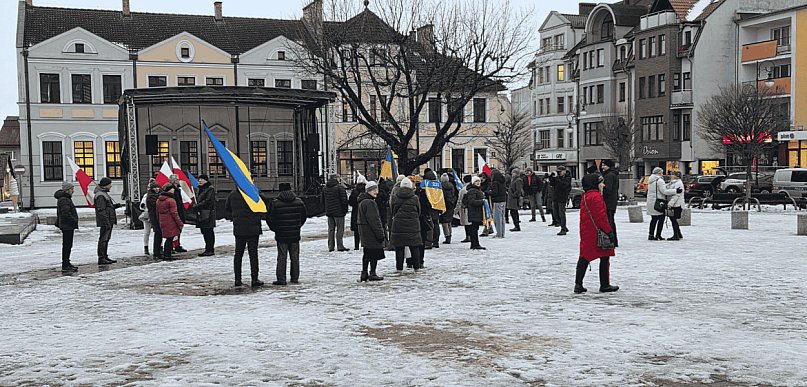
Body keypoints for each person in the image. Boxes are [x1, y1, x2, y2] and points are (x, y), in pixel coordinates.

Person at [575, 173, 619, 294]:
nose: (603, 185)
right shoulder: (596, 197)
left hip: (586, 231)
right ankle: (604, 284)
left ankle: (578, 284)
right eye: (601, 182)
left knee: (584, 257)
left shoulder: (585, 196)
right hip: (597, 232)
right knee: (605, 257)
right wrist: (609, 232)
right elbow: (601, 217)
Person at [267, 183, 308, 285]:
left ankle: (281, 279)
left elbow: (270, 219)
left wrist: (276, 229)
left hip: (281, 234)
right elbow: (303, 217)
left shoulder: (275, 203)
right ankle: (294, 278)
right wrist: (297, 226)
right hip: (294, 234)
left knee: (282, 257)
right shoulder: (299, 202)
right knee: (294, 257)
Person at [225, 188, 265, 288]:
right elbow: (265, 204)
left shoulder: (232, 194)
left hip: (239, 229)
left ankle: (237, 279)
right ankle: (254, 279)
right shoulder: (254, 192)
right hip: (253, 228)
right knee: (253, 254)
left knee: (238, 254)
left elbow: (227, 208)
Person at [390, 177, 423, 272]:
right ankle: (416, 267)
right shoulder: (415, 198)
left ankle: (399, 268)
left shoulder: (396, 197)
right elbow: (418, 211)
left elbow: (393, 210)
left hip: (398, 225)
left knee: (399, 247)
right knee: (414, 246)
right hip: (413, 225)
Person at [357, 181, 385, 282]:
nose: (375, 192)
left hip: (365, 232)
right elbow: (374, 220)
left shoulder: (362, 201)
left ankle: (364, 273)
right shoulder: (370, 203)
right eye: (373, 190)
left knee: (367, 253)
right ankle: (372, 273)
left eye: (375, 189)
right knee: (374, 253)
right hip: (371, 232)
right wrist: (380, 234)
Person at [647, 167, 678, 240]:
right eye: (661, 172)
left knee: (653, 219)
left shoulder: (651, 180)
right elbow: (664, 191)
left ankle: (651, 235)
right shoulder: (660, 180)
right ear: (659, 173)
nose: (662, 174)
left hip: (652, 202)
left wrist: (668, 184)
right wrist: (675, 191)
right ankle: (658, 235)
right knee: (661, 218)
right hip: (659, 202)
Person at [55, 182, 79, 272]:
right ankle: (65, 264)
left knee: (68, 245)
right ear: (68, 190)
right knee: (67, 245)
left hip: (67, 225)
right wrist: (74, 220)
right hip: (67, 225)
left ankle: (67, 263)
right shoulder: (64, 200)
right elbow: (66, 213)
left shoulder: (65, 198)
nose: (73, 191)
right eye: (72, 189)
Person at [322, 174, 349, 252]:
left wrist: (326, 208)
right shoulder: (339, 188)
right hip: (339, 212)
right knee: (340, 229)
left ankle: (331, 246)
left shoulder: (325, 188)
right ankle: (340, 246)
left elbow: (322, 200)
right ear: (336, 178)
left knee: (331, 229)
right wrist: (345, 210)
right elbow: (344, 201)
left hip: (329, 212)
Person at [94, 177, 118, 265]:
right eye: (109, 184)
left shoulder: (103, 193)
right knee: (103, 239)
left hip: (108, 219)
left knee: (106, 238)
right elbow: (101, 210)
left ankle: (104, 256)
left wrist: (114, 207)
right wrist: (106, 221)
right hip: (105, 220)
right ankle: (101, 257)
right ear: (105, 185)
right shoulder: (100, 195)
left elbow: (106, 207)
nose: (111, 186)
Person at [157, 184, 183, 261]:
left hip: (163, 221)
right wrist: (179, 223)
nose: (174, 190)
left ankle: (166, 254)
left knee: (168, 238)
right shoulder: (171, 200)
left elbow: (157, 212)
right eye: (172, 189)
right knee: (170, 239)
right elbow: (174, 213)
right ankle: (167, 255)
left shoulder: (159, 200)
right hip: (171, 221)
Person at [193, 175, 217, 256]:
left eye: (202, 179)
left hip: (208, 213)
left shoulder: (210, 189)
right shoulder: (200, 189)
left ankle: (210, 249)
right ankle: (207, 249)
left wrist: (197, 206)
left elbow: (208, 201)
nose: (200, 181)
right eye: (199, 179)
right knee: (204, 231)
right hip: (202, 213)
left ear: (206, 180)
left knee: (209, 231)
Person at [463, 176, 486, 250]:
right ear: (473, 182)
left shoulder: (477, 190)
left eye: (479, 181)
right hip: (474, 212)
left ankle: (475, 243)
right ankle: (475, 244)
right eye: (476, 181)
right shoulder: (472, 190)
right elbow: (472, 202)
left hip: (477, 212)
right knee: (474, 228)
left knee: (475, 228)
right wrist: (482, 201)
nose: (478, 183)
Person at [601, 160, 620, 247]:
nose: (602, 167)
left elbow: (608, 189)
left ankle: (612, 240)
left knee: (609, 221)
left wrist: (602, 188)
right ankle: (613, 240)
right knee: (610, 221)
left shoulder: (609, 176)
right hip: (612, 201)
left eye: (604, 165)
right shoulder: (613, 174)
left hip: (608, 202)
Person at [169, 175, 189, 253]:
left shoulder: (178, 189)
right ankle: (171, 246)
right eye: (177, 179)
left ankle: (177, 245)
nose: (178, 180)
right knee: (173, 232)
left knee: (178, 231)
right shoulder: (172, 190)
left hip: (179, 212)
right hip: (175, 213)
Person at [551, 166, 572, 236]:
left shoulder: (568, 178)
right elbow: (552, 184)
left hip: (562, 197)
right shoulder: (557, 178)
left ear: (564, 171)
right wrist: (552, 177)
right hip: (555, 197)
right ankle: (564, 227)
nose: (559, 173)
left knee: (561, 213)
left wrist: (557, 178)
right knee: (555, 213)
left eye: (560, 171)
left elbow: (564, 185)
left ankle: (563, 229)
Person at [145, 181, 163, 260]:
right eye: (155, 188)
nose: (156, 189)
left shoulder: (158, 195)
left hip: (158, 217)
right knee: (157, 233)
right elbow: (157, 205)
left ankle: (158, 251)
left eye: (157, 187)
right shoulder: (151, 196)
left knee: (159, 234)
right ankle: (156, 252)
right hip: (154, 217)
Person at [349, 175, 367, 250]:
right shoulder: (366, 191)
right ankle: (365, 244)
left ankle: (356, 245)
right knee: (365, 229)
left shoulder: (354, 191)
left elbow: (350, 202)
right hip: (365, 212)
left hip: (356, 212)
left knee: (356, 230)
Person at [666, 173, 685, 241]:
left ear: (676, 176)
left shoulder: (678, 183)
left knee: (673, 219)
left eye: (673, 175)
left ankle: (676, 235)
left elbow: (676, 195)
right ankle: (678, 234)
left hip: (676, 204)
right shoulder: (674, 182)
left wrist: (670, 204)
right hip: (676, 203)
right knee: (673, 219)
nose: (671, 175)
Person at [488, 169, 507, 238]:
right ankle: (502, 233)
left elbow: (495, 192)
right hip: (503, 200)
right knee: (502, 218)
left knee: (497, 218)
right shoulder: (502, 181)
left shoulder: (495, 182)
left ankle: (498, 234)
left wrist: (488, 192)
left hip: (497, 201)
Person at [439, 173, 457, 244]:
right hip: (451, 204)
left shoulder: (441, 186)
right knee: (449, 221)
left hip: (444, 205)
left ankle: (447, 237)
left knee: (444, 222)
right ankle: (450, 235)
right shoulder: (452, 185)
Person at [139, 180, 154, 256]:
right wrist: (143, 205)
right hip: (147, 214)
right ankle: (146, 247)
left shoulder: (158, 195)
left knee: (158, 232)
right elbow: (141, 207)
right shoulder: (146, 195)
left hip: (154, 214)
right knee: (147, 232)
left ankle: (159, 247)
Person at [456, 175, 472, 243]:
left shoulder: (463, 189)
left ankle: (468, 236)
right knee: (471, 223)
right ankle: (472, 236)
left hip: (465, 208)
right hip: (473, 208)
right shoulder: (474, 187)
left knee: (466, 223)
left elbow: (459, 200)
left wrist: (456, 209)